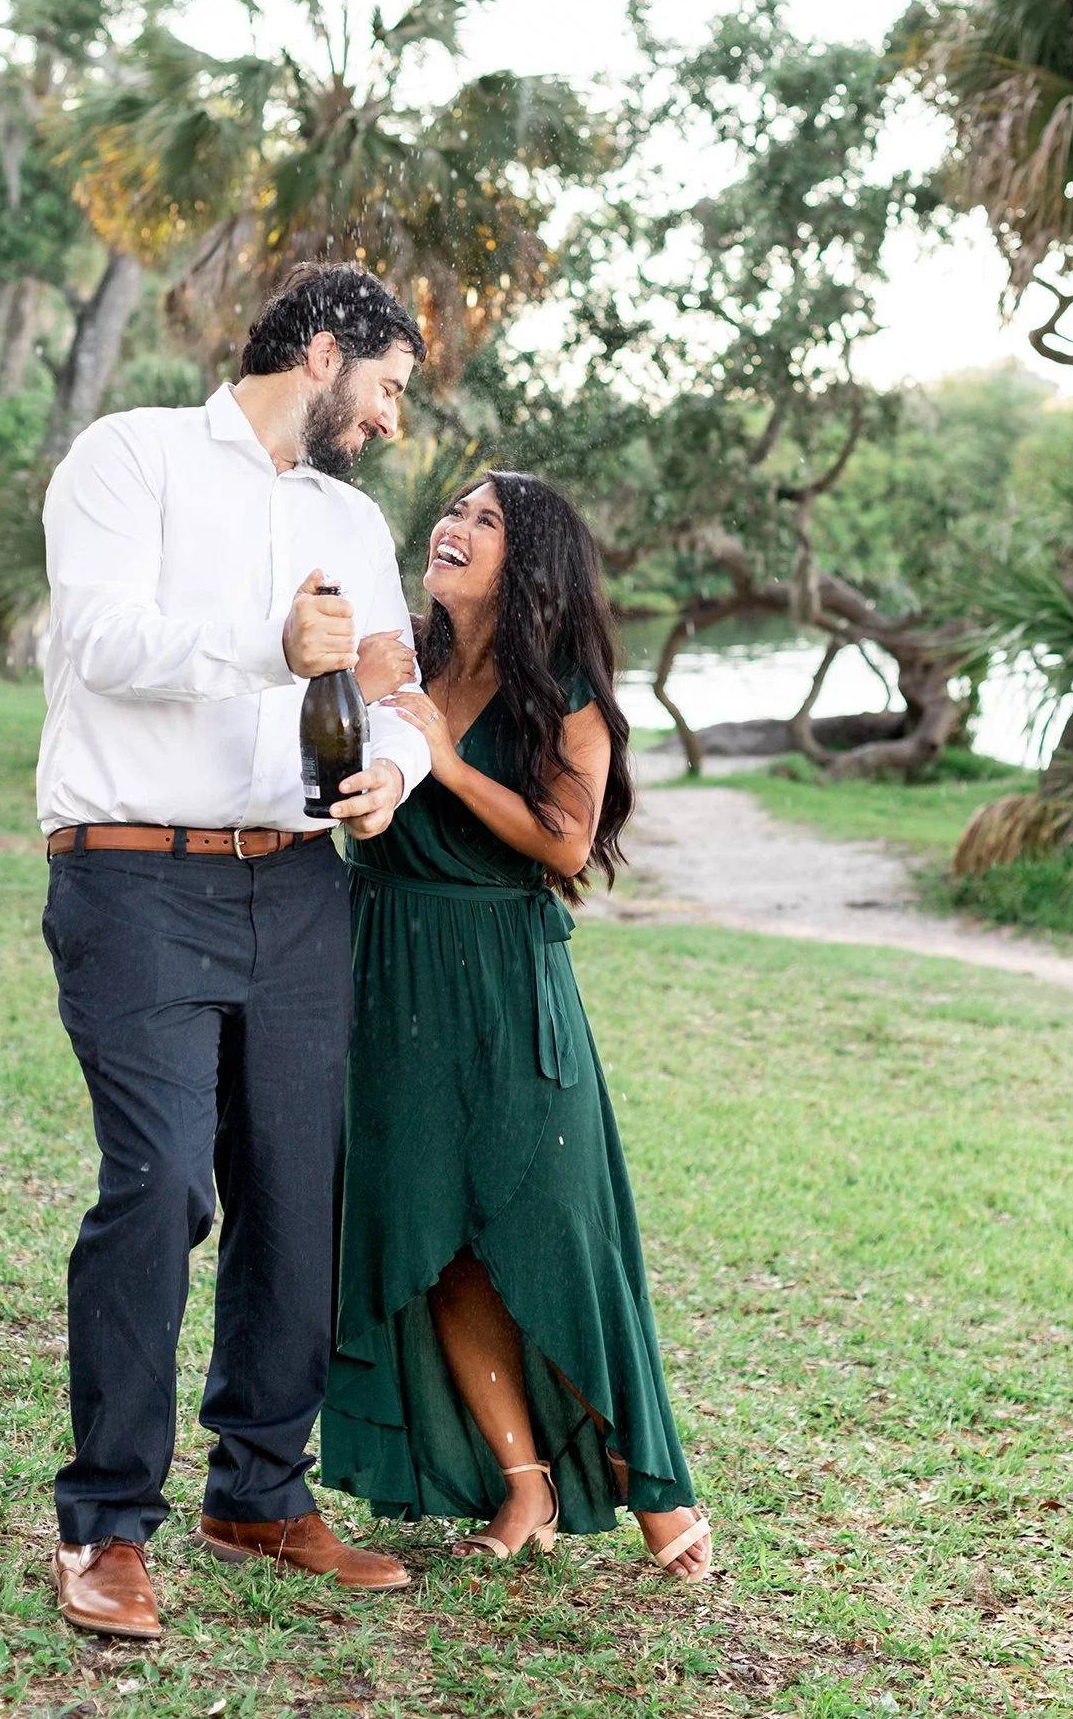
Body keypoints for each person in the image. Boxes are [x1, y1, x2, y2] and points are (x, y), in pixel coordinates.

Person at [37, 263, 433, 1640]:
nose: (388, 423)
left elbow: (403, 695)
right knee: (156, 1191)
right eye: (383, 389)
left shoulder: (353, 522)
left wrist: (394, 773)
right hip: (135, 877)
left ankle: (260, 1491)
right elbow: (97, 641)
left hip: (301, 887)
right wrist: (269, 647)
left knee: (298, 1195)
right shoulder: (131, 456)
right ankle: (104, 1526)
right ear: (322, 353)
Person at [322, 473, 712, 1577]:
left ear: (526, 558)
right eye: (453, 510)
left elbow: (563, 843)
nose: (452, 527)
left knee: (556, 1237)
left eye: (484, 521)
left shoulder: (561, 688)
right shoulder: (394, 651)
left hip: (502, 979)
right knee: (432, 1238)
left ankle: (654, 1494)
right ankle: (522, 1487)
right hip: (385, 965)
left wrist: (442, 762)